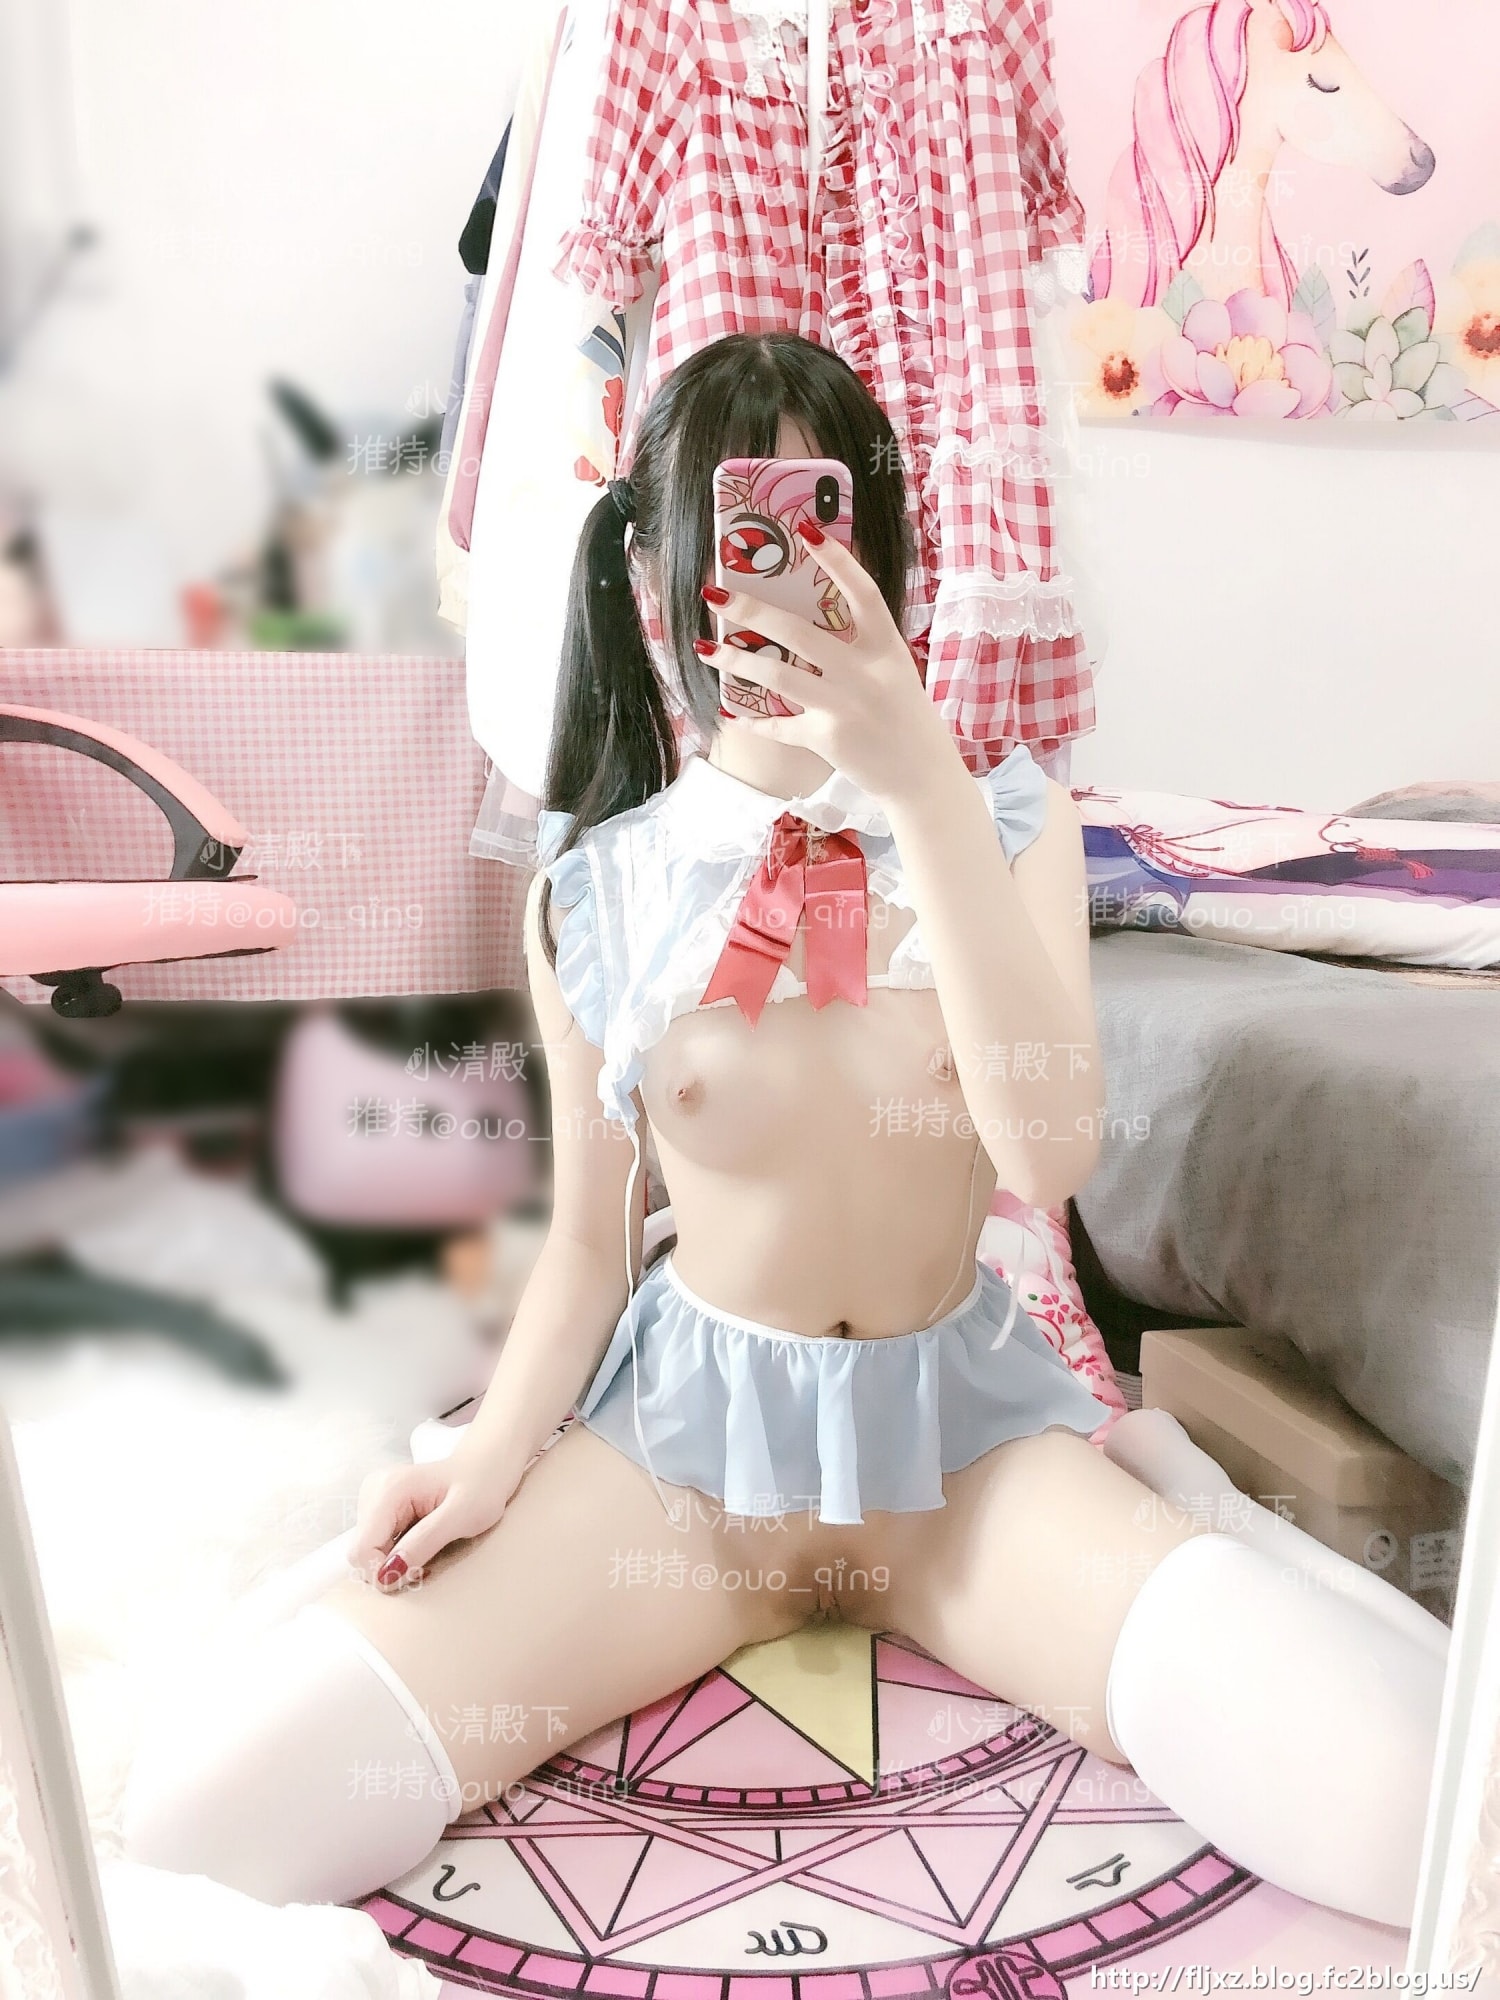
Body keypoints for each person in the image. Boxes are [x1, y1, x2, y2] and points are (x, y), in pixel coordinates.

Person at [122, 332, 1448, 1929]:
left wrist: (922, 787)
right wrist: (488, 1457)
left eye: (822, 526)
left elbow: (1049, 1157)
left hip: (960, 1460)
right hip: (684, 1467)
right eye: (736, 533)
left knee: (1414, 1821)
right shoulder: (595, 891)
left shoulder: (1010, 823)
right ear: (657, 578)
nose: (786, 576)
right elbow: (589, 1248)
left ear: (880, 554)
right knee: (208, 1817)